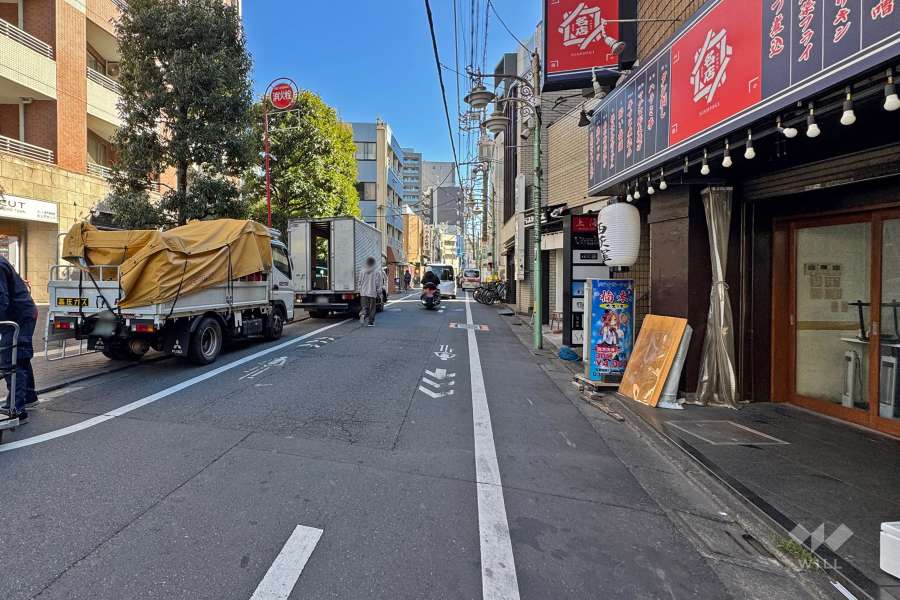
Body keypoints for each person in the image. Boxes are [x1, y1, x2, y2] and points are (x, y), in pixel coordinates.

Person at [0, 256, 37, 423]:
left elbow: (1, 299)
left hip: (19, 316)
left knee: (11, 359)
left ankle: (17, 409)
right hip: (21, 312)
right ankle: (28, 395)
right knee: (19, 356)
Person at [358, 257, 383, 327]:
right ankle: (370, 322)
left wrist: (360, 290)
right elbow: (378, 283)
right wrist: (379, 292)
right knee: (372, 308)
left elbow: (359, 282)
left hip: (363, 293)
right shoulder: (376, 272)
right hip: (372, 293)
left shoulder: (362, 271)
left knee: (364, 307)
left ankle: (363, 314)